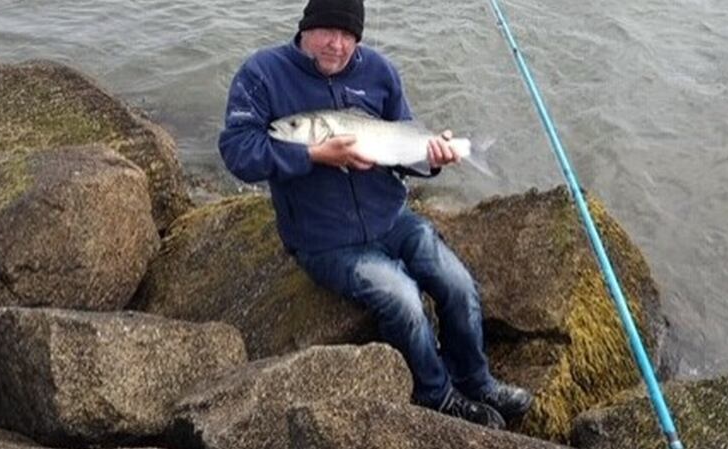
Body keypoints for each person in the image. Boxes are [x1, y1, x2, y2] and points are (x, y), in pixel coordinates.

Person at [218, 0, 532, 430]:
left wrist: (432, 158)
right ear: (305, 28)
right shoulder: (262, 74)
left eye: (348, 35)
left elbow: (403, 148)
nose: (337, 44)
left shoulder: (379, 72)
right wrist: (312, 154)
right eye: (327, 30)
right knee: (402, 298)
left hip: (391, 218)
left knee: (457, 283)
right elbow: (237, 150)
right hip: (323, 239)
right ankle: (436, 394)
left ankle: (476, 380)